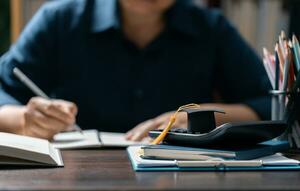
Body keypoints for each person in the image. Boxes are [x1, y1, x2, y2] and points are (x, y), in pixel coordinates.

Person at [0, 0, 271, 141]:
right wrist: (25, 120)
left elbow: (272, 103)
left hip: (180, 183)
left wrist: (199, 118)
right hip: (70, 181)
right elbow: (3, 90)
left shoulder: (211, 29)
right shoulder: (59, 20)